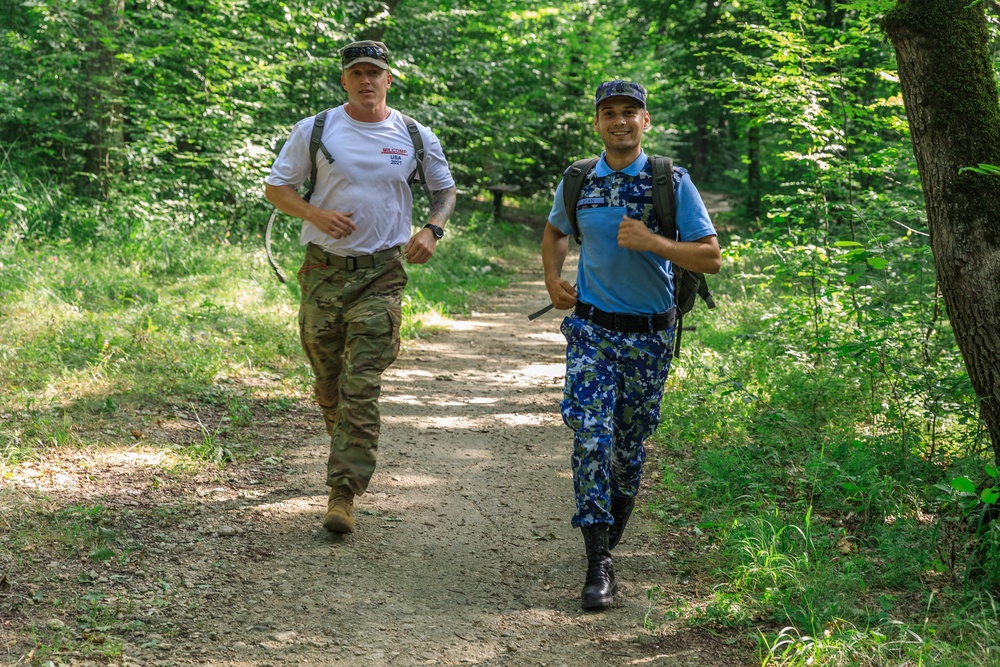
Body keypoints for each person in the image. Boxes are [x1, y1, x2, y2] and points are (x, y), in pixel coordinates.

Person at [541, 80, 721, 610]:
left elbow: (709, 257)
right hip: (592, 330)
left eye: (629, 112)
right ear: (597, 123)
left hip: (650, 337)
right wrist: (553, 280)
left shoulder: (671, 181)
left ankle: (611, 527)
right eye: (609, 113)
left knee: (628, 447)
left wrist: (654, 242)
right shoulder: (579, 179)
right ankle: (598, 562)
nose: (619, 121)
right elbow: (555, 232)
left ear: (645, 121)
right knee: (591, 438)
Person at [264, 40, 457, 534]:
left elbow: (444, 189)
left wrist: (432, 230)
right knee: (328, 381)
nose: (367, 80)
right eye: (357, 73)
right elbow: (276, 188)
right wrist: (314, 213)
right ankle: (341, 437)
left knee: (361, 383)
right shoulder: (317, 130)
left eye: (375, 73)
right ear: (345, 81)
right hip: (323, 272)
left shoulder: (413, 133)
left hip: (382, 273)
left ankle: (342, 493)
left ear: (389, 80)